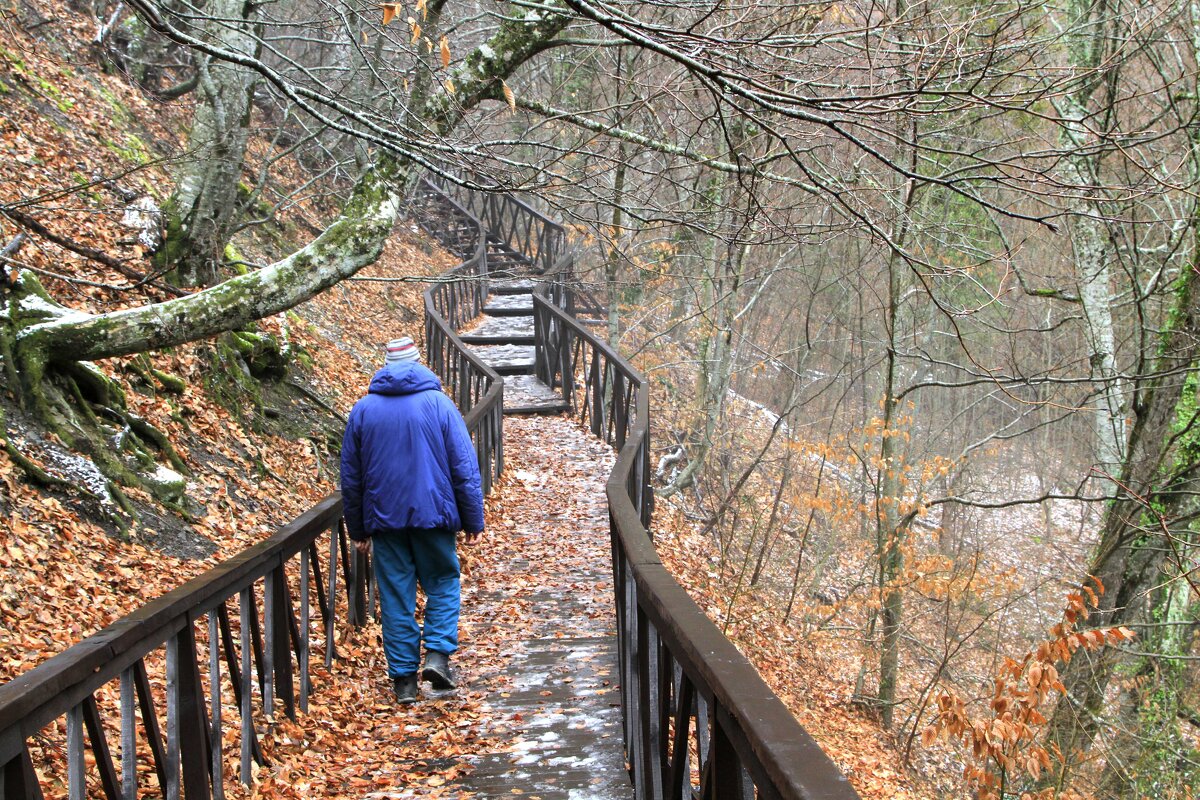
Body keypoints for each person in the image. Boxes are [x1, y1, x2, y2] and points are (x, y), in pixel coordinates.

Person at [340, 336, 485, 704]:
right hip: (434, 516)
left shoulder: (363, 410)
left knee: (395, 597)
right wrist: (473, 520)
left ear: (385, 365)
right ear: (419, 363)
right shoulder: (439, 404)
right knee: (442, 582)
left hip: (385, 522)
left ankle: (404, 681)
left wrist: (357, 527)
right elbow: (463, 467)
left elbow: (351, 477)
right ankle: (436, 656)